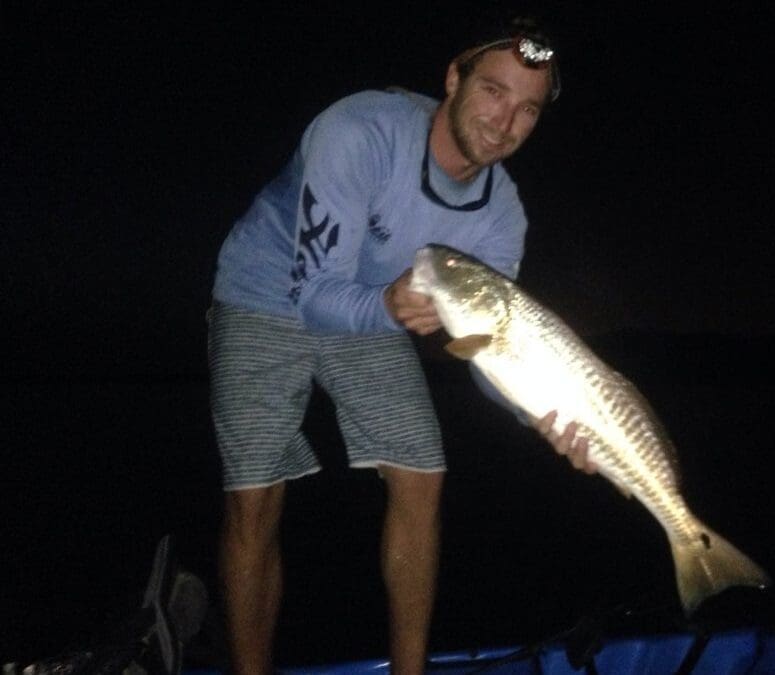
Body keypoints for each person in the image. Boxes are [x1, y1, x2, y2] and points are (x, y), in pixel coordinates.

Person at [207, 12, 592, 675]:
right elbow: (316, 292)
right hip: (265, 294)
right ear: (453, 78)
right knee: (254, 495)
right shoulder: (359, 132)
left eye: (527, 110)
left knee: (423, 472)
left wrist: (546, 415)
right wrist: (388, 305)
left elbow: (486, 350)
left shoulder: (502, 216)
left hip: (373, 309)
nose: (505, 122)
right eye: (494, 91)